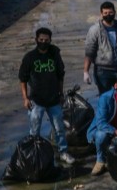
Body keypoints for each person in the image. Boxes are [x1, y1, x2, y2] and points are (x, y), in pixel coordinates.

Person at [18, 27, 75, 165]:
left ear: (50, 40)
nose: (44, 42)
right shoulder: (29, 58)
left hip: (54, 99)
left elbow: (60, 75)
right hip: (36, 100)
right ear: (36, 40)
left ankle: (63, 152)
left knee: (59, 128)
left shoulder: (54, 54)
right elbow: (23, 79)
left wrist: (61, 93)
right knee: (35, 130)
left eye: (46, 40)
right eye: (41, 40)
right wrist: (25, 98)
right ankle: (34, 155)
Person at [83, 1, 117, 95]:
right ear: (101, 14)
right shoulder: (95, 30)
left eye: (110, 12)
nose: (108, 15)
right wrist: (86, 71)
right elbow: (89, 52)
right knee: (106, 98)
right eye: (105, 13)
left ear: (115, 12)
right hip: (103, 71)